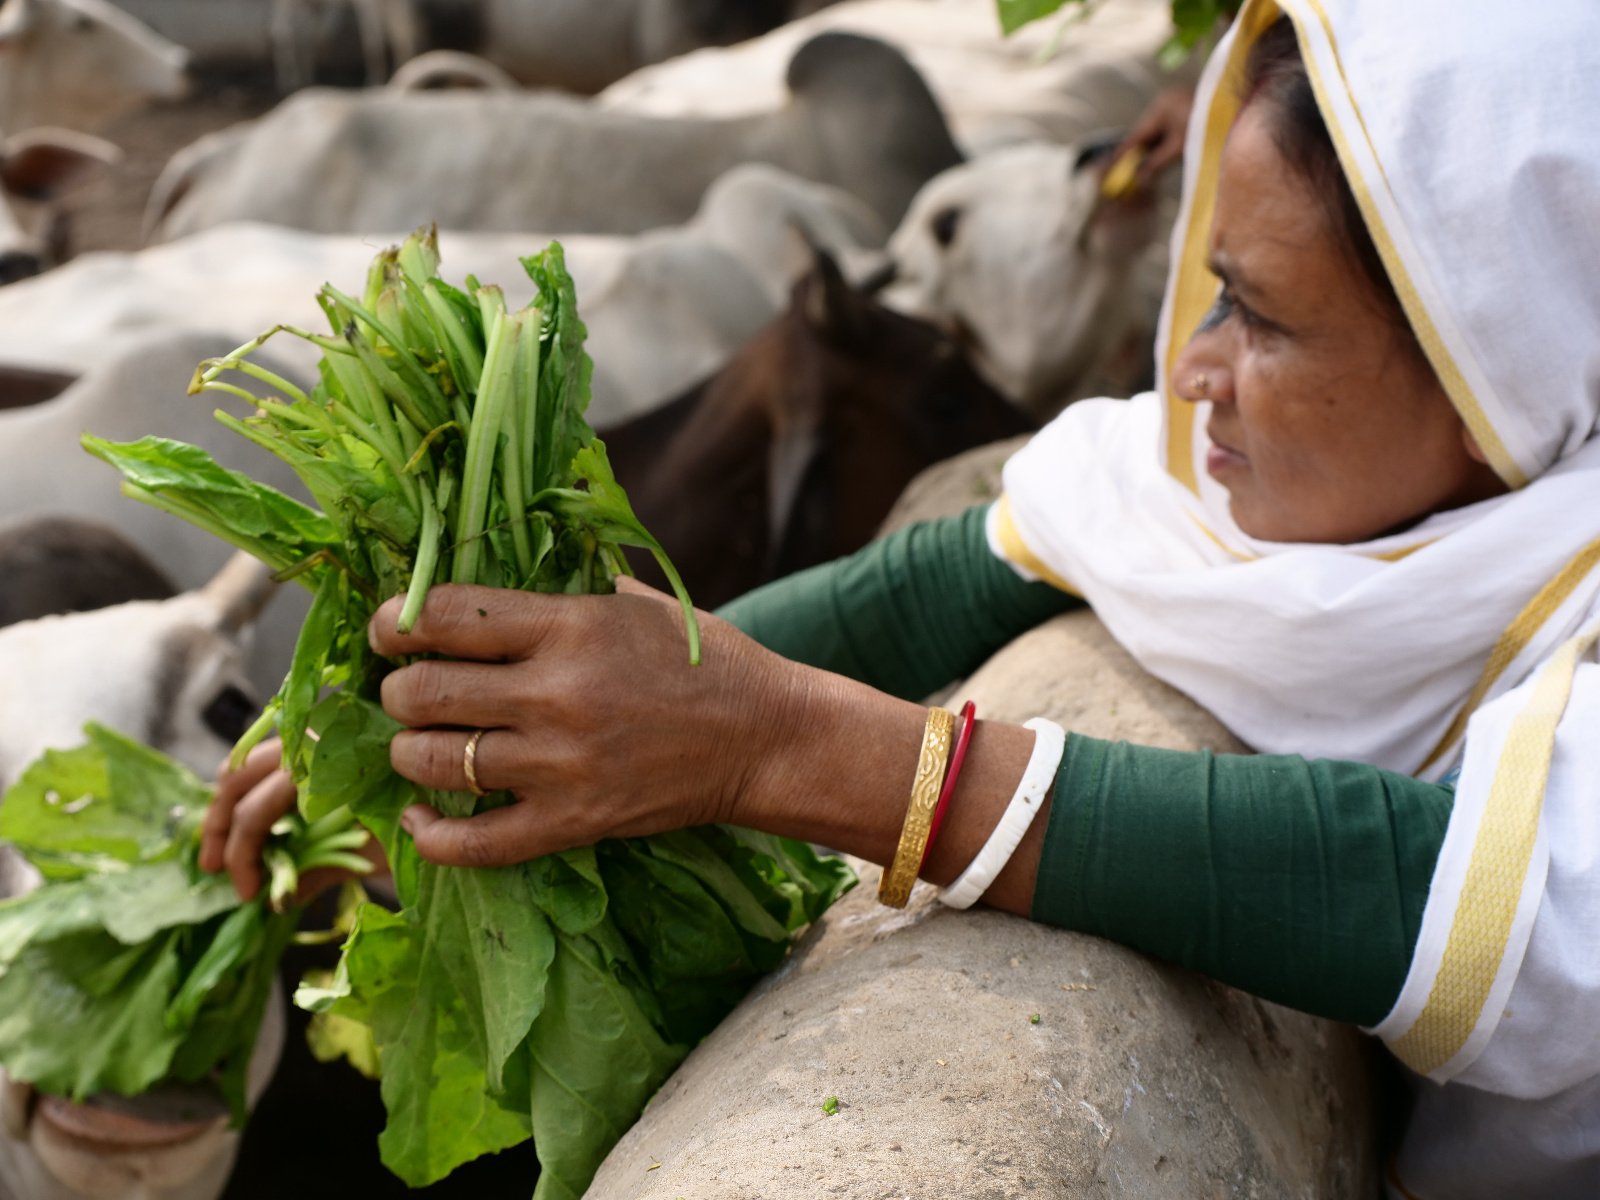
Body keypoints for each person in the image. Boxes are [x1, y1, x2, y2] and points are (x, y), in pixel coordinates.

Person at [206, 2, 1600, 1195]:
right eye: (1213, 295)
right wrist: (524, 734)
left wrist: (784, 746)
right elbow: (944, 577)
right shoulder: (1201, 488)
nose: (1191, 373)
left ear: (1507, 355)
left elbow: (1487, 907)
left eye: (1267, 321)